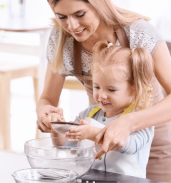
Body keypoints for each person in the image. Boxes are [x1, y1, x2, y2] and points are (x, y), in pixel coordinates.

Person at [37, 0, 171, 183]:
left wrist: (127, 123)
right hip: (102, 147)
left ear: (98, 3)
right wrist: (46, 112)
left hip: (151, 139)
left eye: (79, 14)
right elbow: (48, 98)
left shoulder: (139, 33)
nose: (71, 25)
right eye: (61, 16)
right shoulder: (61, 40)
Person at [58, 41, 154, 178]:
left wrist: (92, 133)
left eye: (111, 89)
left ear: (134, 90)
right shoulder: (87, 114)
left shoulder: (140, 118)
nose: (101, 95)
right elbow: (68, 147)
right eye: (97, 87)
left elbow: (130, 145)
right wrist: (58, 127)